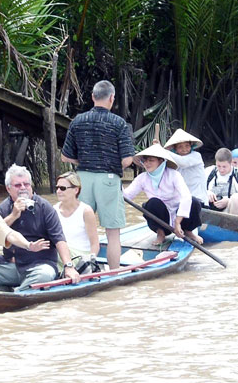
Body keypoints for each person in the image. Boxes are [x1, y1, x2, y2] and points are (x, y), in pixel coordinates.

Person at [61, 80, 135, 270]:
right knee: (112, 234)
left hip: (81, 180)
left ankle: (75, 267)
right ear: (112, 98)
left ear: (93, 97)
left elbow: (65, 156)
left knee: (81, 227)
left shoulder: (78, 120)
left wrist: (84, 163)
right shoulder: (119, 123)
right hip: (109, 180)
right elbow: (127, 160)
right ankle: (114, 274)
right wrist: (109, 164)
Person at [0, 165, 80, 291]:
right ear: (8, 189)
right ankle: (15, 289)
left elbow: (59, 239)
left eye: (26, 184)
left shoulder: (45, 207)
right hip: (12, 266)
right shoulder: (3, 208)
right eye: (18, 185)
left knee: (44, 275)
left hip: (40, 265)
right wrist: (13, 215)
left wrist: (69, 266)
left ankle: (16, 294)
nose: (23, 188)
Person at [123, 144, 203, 245]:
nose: (147, 163)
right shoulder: (142, 178)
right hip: (161, 219)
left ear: (160, 161)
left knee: (194, 201)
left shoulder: (174, 175)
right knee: (152, 203)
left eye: (151, 160)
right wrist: (117, 182)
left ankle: (188, 231)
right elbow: (126, 196)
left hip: (180, 217)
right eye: (145, 161)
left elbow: (186, 196)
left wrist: (178, 222)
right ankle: (160, 233)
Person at [53, 171, 100, 272]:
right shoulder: (54, 210)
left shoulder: (86, 211)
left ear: (76, 190)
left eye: (63, 188)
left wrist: (90, 262)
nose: (58, 191)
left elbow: (95, 243)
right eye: (57, 188)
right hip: (61, 254)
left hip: (79, 256)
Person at [205, 148, 238, 217]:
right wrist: (206, 193)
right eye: (219, 166)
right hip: (211, 212)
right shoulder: (208, 171)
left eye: (224, 167)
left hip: (233, 212)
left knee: (236, 198)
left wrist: (229, 201)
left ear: (231, 163)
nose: (221, 170)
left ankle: (234, 227)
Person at [163, 129, 208, 205]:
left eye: (187, 146)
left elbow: (183, 162)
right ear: (175, 149)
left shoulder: (196, 156)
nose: (184, 149)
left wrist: (162, 150)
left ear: (191, 146)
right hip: (182, 201)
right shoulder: (173, 162)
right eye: (180, 147)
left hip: (198, 200)